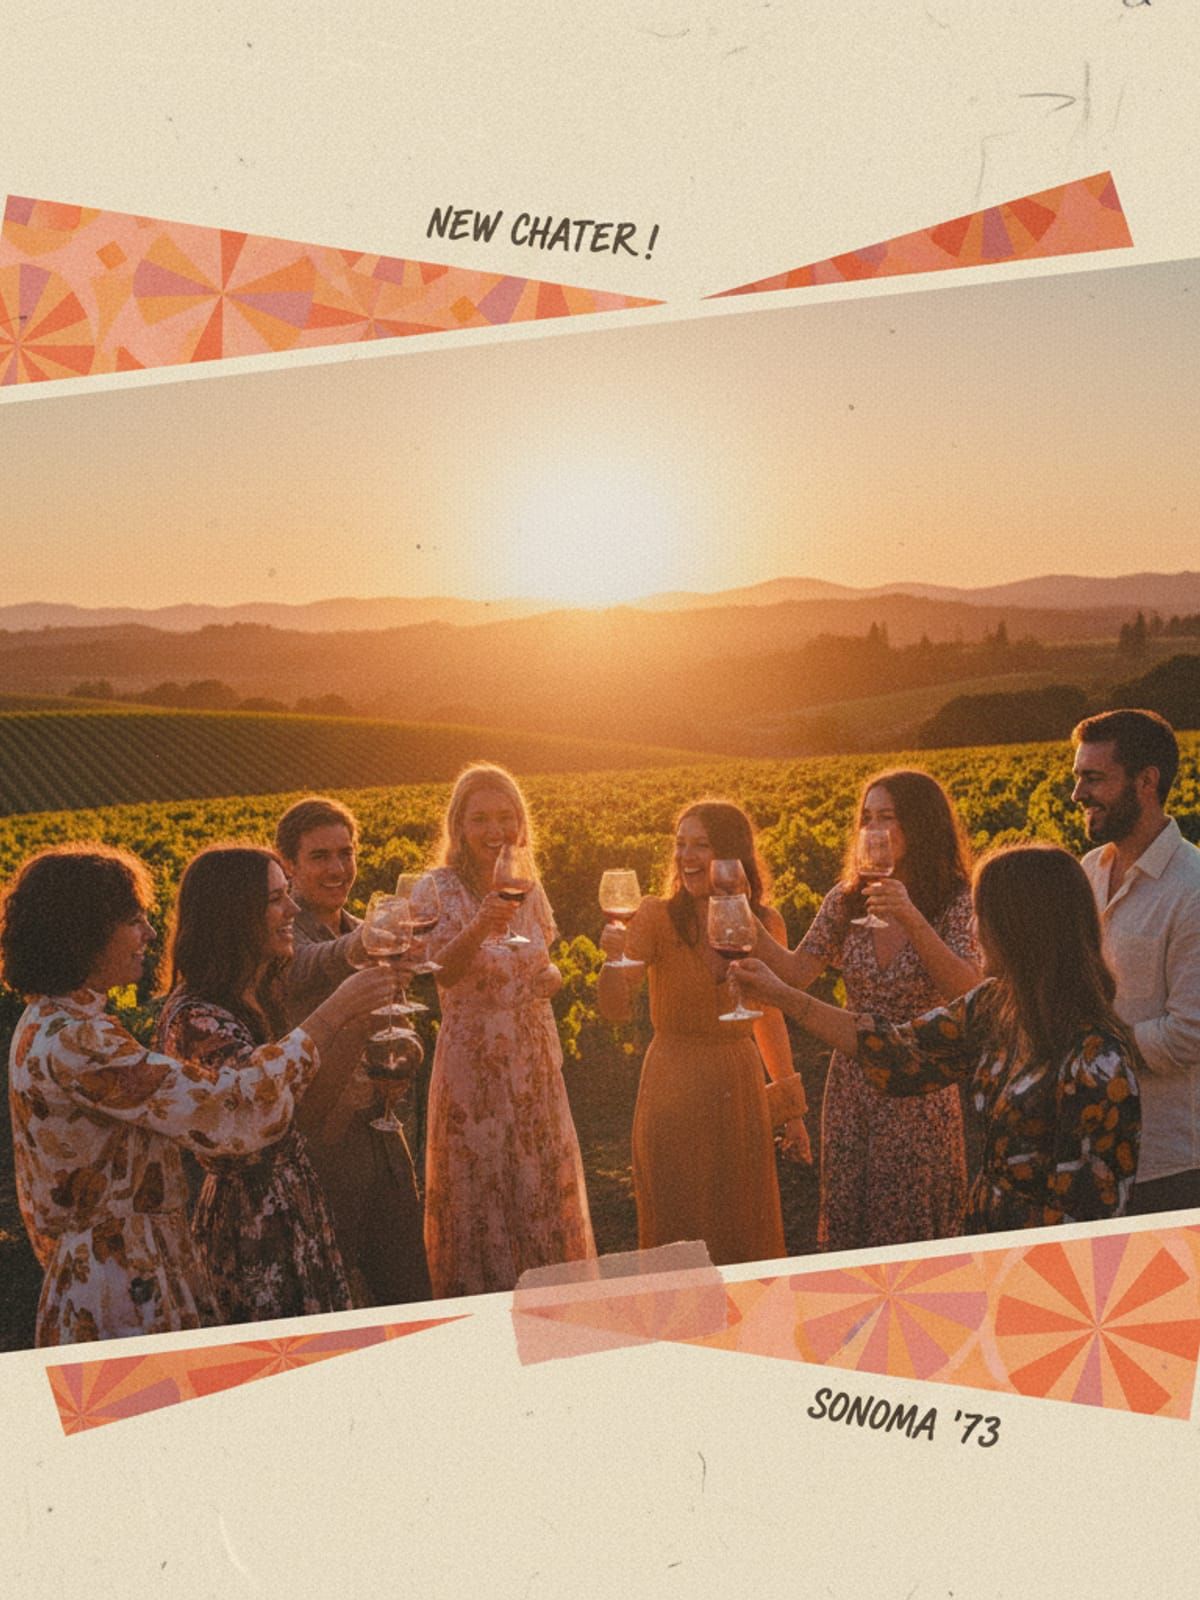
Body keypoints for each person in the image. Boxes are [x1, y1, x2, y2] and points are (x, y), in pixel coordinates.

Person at [2, 844, 392, 1346]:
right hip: (118, 1286)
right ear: (85, 933)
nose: (150, 934)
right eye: (134, 921)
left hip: (116, 1268)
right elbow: (231, 1109)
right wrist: (334, 1014)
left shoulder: (49, 1023)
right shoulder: (78, 1041)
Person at [733, 843, 1141, 1233]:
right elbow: (897, 1052)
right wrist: (780, 995)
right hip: (987, 1234)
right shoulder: (994, 1005)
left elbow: (1089, 1222)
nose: (972, 928)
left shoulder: (1097, 1061)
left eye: (982, 915)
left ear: (1020, 927)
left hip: (1036, 1260)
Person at [752, 770, 981, 1251]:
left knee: (910, 1221)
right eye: (866, 819)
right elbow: (797, 972)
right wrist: (741, 918)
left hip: (920, 1081)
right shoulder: (846, 900)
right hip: (853, 1083)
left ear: (920, 825)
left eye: (887, 818)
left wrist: (911, 918)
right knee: (850, 1215)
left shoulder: (957, 901)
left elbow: (967, 991)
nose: (873, 831)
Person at [155, 844, 382, 1324]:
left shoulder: (257, 996)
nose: (293, 909)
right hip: (250, 1228)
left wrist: (360, 1024)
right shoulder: (195, 1020)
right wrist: (338, 1007)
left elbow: (301, 1119)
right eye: (276, 899)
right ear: (232, 916)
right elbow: (253, 1109)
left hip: (295, 1208)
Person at [597, 799, 809, 1267]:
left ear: (732, 856)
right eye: (680, 844)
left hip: (739, 1088)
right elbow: (614, 1009)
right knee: (677, 1229)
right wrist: (611, 962)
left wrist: (792, 1111)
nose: (686, 856)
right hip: (672, 1089)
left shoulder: (763, 923)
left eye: (701, 845)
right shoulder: (655, 916)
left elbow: (769, 1016)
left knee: (743, 1226)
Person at [423, 763, 595, 1298]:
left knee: (539, 1184)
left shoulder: (526, 882)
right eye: (480, 819)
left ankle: (556, 1311)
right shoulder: (437, 889)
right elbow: (438, 971)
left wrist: (552, 977)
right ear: (458, 826)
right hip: (474, 1066)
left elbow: (544, 961)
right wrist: (481, 924)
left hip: (533, 1059)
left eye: (505, 817)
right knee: (483, 1192)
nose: (495, 829)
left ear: (520, 822)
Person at [275, 796, 432, 1308]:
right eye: (320, 856)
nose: (338, 868)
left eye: (346, 853)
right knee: (334, 1295)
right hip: (321, 1141)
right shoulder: (282, 936)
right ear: (289, 865)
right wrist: (362, 945)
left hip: (380, 1131)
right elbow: (302, 966)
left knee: (407, 1285)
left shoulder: (355, 926)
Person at [1071, 709, 1200, 1214]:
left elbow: (1189, 1035)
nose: (1077, 793)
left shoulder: (1192, 889)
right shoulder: (1089, 870)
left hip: (1168, 1162)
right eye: (1077, 777)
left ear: (1147, 781)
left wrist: (1085, 1049)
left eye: (1093, 778)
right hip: (1093, 1151)